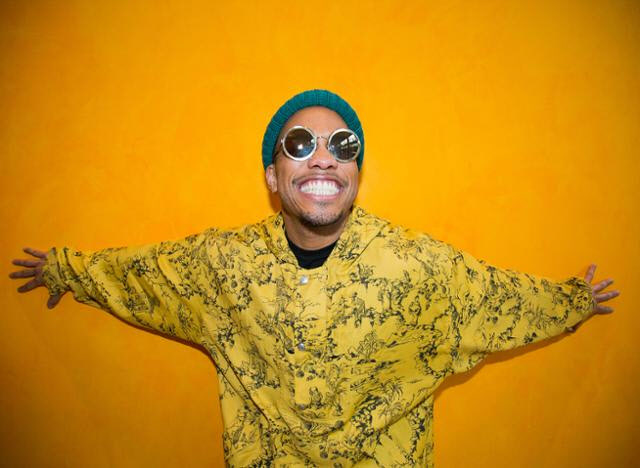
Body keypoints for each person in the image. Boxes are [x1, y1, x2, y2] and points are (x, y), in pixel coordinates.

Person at [10, 89, 619, 467]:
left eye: (342, 145)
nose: (323, 156)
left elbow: (503, 299)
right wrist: (64, 269)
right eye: (299, 144)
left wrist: (577, 299)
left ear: (355, 172)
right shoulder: (222, 267)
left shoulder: (420, 268)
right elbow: (144, 276)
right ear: (273, 176)